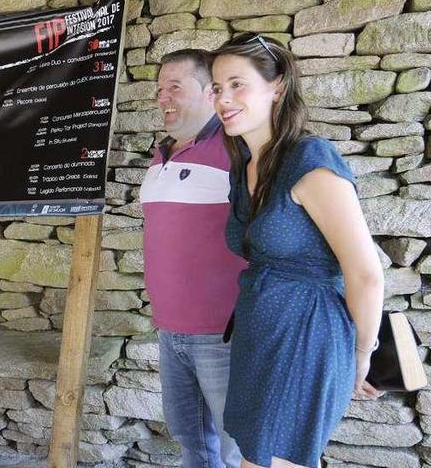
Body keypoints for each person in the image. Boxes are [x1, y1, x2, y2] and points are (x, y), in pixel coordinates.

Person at [211, 33, 383, 468]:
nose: (223, 98)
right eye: (216, 87)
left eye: (236, 84)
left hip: (307, 338)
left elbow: (364, 272)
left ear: (278, 86)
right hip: (260, 336)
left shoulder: (310, 159)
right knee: (254, 457)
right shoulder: (244, 165)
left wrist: (362, 354)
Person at [139, 49, 246, 468]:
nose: (163, 97)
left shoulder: (238, 152)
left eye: (175, 87)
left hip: (225, 335)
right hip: (170, 332)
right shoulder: (160, 155)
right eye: (160, 89)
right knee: (192, 444)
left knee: (238, 448)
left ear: (209, 93)